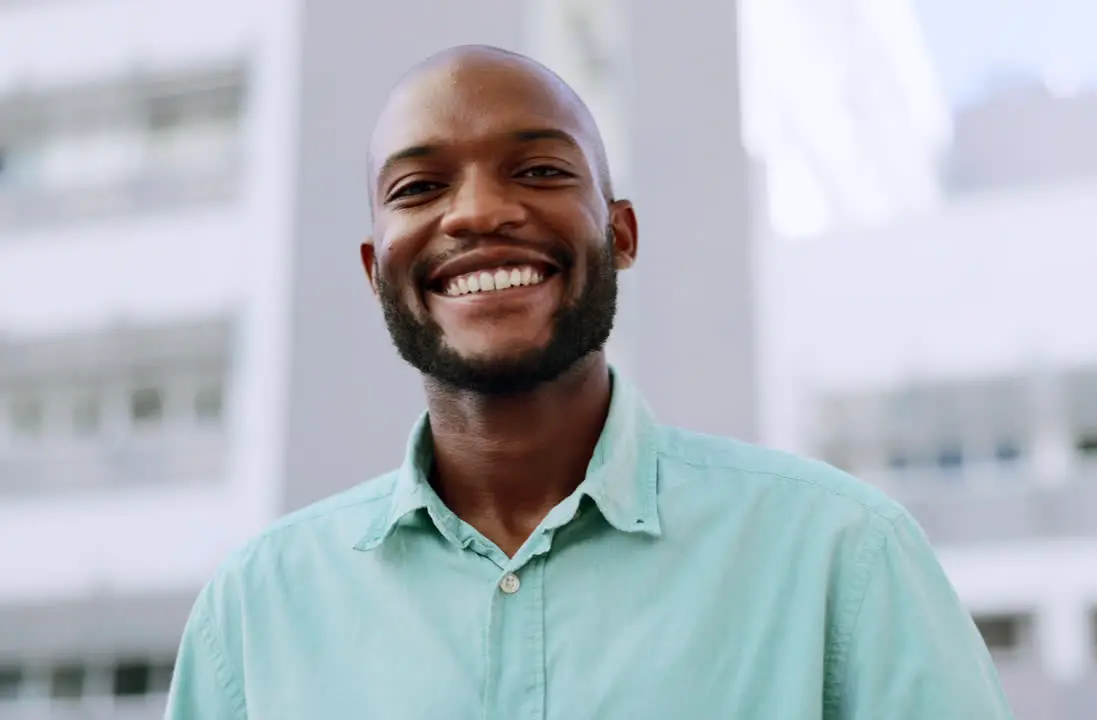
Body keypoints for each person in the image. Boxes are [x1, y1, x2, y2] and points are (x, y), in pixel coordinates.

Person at [166, 45, 1013, 719]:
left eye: (538, 171)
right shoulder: (253, 613)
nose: (474, 213)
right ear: (373, 268)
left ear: (623, 234)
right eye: (420, 187)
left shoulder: (843, 557)